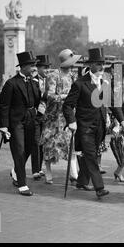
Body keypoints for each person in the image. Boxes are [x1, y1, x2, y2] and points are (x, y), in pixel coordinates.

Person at [63, 47, 124, 199]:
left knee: (89, 154)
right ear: (90, 65)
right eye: (98, 64)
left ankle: (81, 181)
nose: (101, 67)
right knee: (91, 155)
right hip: (84, 127)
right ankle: (99, 187)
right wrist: (71, 121)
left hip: (100, 127)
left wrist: (122, 120)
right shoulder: (80, 83)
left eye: (102, 64)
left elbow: (113, 104)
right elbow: (67, 105)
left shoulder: (105, 83)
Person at [0, 51, 40, 196]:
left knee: (30, 148)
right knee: (20, 150)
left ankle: (16, 169)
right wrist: (3, 126)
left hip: (31, 120)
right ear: (23, 66)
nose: (34, 68)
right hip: (16, 122)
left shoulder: (34, 82)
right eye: (31, 65)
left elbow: (38, 100)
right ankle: (22, 184)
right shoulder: (11, 83)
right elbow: (3, 105)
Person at [40, 49, 81, 184]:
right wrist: (64, 97)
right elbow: (49, 95)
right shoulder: (53, 75)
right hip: (54, 116)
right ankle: (48, 170)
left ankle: (73, 173)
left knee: (71, 143)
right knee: (49, 144)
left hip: (67, 115)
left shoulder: (73, 76)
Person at [31, 54, 51, 180]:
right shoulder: (33, 81)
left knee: (43, 143)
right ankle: (35, 170)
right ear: (38, 68)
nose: (46, 70)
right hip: (36, 115)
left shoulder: (50, 81)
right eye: (44, 68)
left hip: (47, 116)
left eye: (48, 68)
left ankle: (39, 168)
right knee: (35, 142)